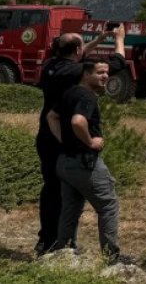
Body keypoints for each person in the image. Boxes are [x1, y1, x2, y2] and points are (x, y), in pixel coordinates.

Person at [35, 23, 126, 257]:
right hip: (72, 142)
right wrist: (118, 40)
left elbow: (80, 52)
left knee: (61, 194)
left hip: (48, 136)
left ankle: (53, 243)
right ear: (77, 52)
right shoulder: (79, 77)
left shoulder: (51, 67)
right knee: (97, 201)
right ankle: (60, 244)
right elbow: (117, 63)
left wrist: (99, 38)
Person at [48, 60, 128, 263]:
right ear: (85, 74)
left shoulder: (70, 92)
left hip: (64, 162)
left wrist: (64, 141)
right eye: (100, 72)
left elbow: (52, 117)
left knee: (71, 207)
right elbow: (78, 121)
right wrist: (90, 141)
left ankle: (64, 252)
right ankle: (112, 258)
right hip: (84, 163)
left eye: (107, 72)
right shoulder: (87, 96)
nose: (105, 76)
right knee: (108, 205)